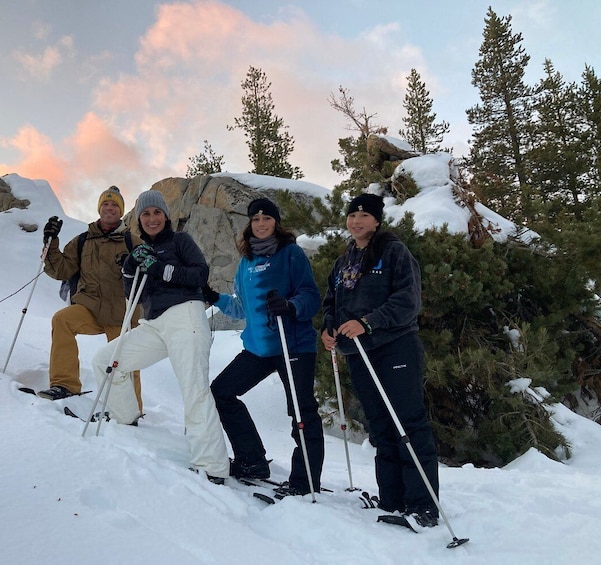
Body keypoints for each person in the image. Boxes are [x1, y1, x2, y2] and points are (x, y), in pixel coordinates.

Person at [90, 189, 230, 483]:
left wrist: (161, 269)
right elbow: (134, 297)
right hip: (154, 323)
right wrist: (130, 270)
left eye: (157, 213)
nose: (152, 218)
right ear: (139, 220)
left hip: (186, 316)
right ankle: (124, 417)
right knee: (107, 361)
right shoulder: (141, 251)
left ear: (166, 216)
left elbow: (199, 274)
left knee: (194, 389)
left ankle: (212, 466)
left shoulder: (181, 241)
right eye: (145, 214)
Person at [320, 192, 439, 527]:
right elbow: (332, 302)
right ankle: (392, 499)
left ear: (376, 220)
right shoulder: (344, 262)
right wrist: (329, 329)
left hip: (395, 346)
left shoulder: (393, 252)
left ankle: (423, 505)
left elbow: (408, 300)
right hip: (359, 353)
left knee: (409, 424)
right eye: (352, 215)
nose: (356, 221)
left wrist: (368, 322)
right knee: (381, 426)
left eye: (364, 215)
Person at [206, 197, 324, 497]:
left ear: (276, 222)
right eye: (256, 219)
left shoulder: (291, 254)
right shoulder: (246, 264)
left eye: (266, 219)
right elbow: (240, 309)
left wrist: (290, 305)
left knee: (301, 411)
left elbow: (311, 296)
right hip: (258, 348)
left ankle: (305, 481)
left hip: (293, 345)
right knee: (222, 391)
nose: (261, 224)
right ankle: (251, 461)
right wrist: (213, 297)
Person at [39, 186, 142, 412]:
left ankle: (131, 409)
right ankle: (65, 384)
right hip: (90, 308)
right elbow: (61, 270)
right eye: (106, 203)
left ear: (121, 211)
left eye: (115, 204)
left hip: (121, 314)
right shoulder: (83, 241)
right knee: (62, 320)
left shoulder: (131, 241)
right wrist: (51, 241)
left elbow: (147, 274)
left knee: (124, 360)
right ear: (99, 208)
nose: (110, 208)